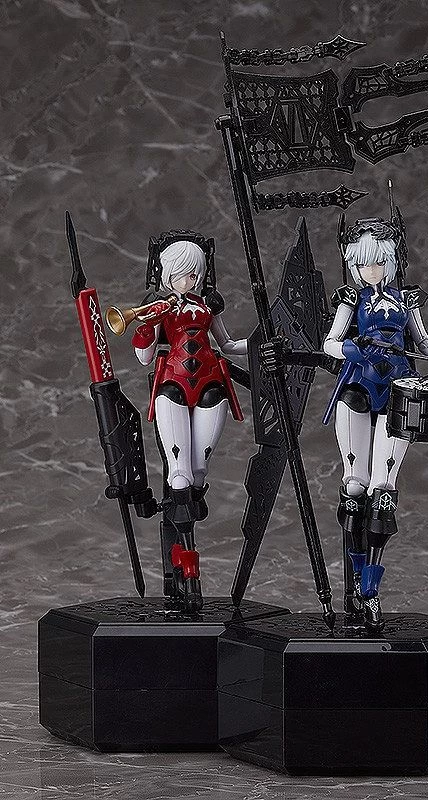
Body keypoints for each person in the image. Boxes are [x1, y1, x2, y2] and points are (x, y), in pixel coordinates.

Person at [322, 218, 428, 630]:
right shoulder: (350, 299)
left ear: (390, 261)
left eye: (377, 262)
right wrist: (352, 347)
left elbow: (424, 342)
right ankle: (356, 580)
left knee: (382, 489)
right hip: (357, 389)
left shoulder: (407, 300)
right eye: (362, 264)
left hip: (400, 393)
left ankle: (371, 589)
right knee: (355, 486)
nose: (370, 271)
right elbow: (329, 343)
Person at [131, 230, 247, 611]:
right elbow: (145, 358)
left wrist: (263, 341)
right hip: (173, 386)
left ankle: (184, 568)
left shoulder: (207, 305)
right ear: (168, 274)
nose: (190, 279)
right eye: (182, 273)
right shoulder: (161, 306)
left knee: (197, 474)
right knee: (178, 476)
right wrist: (146, 325)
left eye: (194, 273)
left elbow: (228, 344)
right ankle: (187, 572)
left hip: (211, 385)